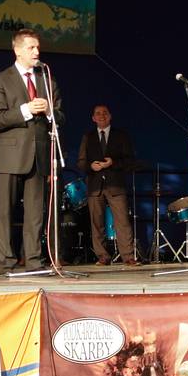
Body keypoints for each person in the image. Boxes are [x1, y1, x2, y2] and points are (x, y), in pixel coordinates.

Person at [0, 28, 64, 274]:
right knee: (6, 212)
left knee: (35, 213)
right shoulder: (1, 79)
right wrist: (26, 110)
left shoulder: (47, 79)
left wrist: (49, 111)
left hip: (39, 154)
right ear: (17, 50)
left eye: (38, 47)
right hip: (10, 154)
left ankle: (34, 260)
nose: (36, 52)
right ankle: (5, 261)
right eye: (31, 47)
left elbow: (61, 117)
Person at [77, 104, 139, 266]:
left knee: (122, 221)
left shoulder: (121, 135)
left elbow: (130, 161)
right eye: (98, 113)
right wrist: (91, 166)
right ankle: (103, 256)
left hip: (116, 185)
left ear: (110, 116)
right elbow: (81, 162)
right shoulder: (88, 137)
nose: (102, 115)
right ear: (93, 118)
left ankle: (128, 256)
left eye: (105, 113)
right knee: (96, 223)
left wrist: (113, 162)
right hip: (95, 186)